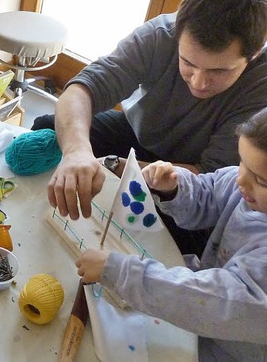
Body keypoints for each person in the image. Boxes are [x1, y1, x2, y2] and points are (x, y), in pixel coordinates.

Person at [38, 0, 267, 249]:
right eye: (188, 63)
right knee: (49, 129)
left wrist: (113, 165)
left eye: (219, 71)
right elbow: (82, 90)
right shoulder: (160, 34)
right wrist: (77, 152)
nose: (198, 82)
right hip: (139, 136)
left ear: (252, 56)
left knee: (173, 240)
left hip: (196, 177)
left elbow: (212, 178)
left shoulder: (261, 85)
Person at [75, 107, 267, 361]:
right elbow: (209, 192)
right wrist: (175, 187)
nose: (241, 180)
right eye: (242, 162)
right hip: (194, 315)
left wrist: (121, 273)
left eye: (261, 181)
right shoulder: (244, 186)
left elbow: (223, 303)